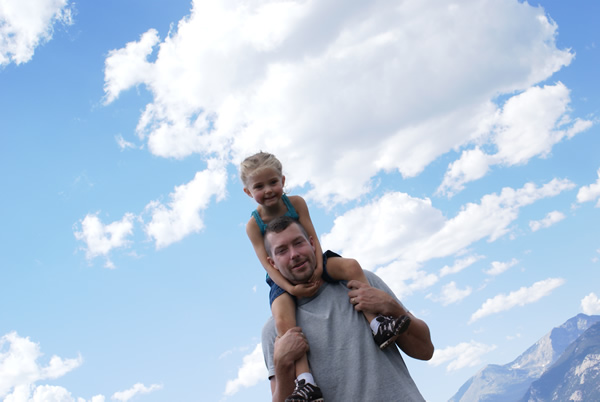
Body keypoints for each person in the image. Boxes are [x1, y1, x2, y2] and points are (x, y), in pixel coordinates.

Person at [241, 152, 410, 401]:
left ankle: (377, 324)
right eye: (259, 186)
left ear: (283, 180)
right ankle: (306, 381)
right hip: (280, 279)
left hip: (316, 259)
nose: (268, 190)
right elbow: (268, 267)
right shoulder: (253, 225)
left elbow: (313, 238)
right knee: (283, 319)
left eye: (273, 182)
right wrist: (292, 288)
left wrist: (320, 267)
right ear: (248, 192)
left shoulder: (296, 203)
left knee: (351, 265)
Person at [261, 216, 434, 402]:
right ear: (272, 264)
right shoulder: (276, 331)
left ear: (312, 243)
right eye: (282, 251)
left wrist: (393, 308)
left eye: (298, 243)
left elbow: (425, 351)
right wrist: (281, 365)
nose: (294, 254)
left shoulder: (361, 283)